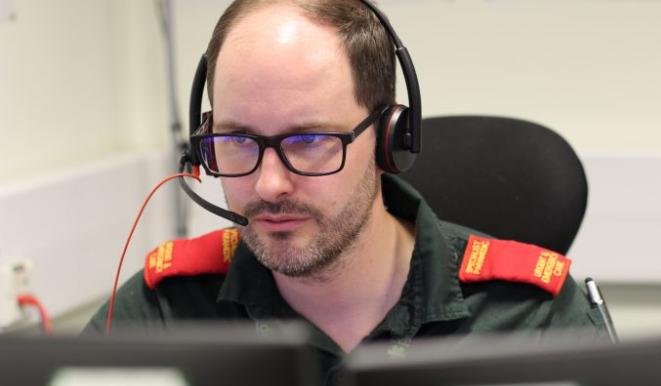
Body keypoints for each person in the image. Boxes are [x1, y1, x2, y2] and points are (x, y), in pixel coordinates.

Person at [85, 0, 606, 382]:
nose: (269, 184)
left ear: (388, 142)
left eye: (309, 140)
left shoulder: (535, 320)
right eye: (238, 140)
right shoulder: (162, 316)